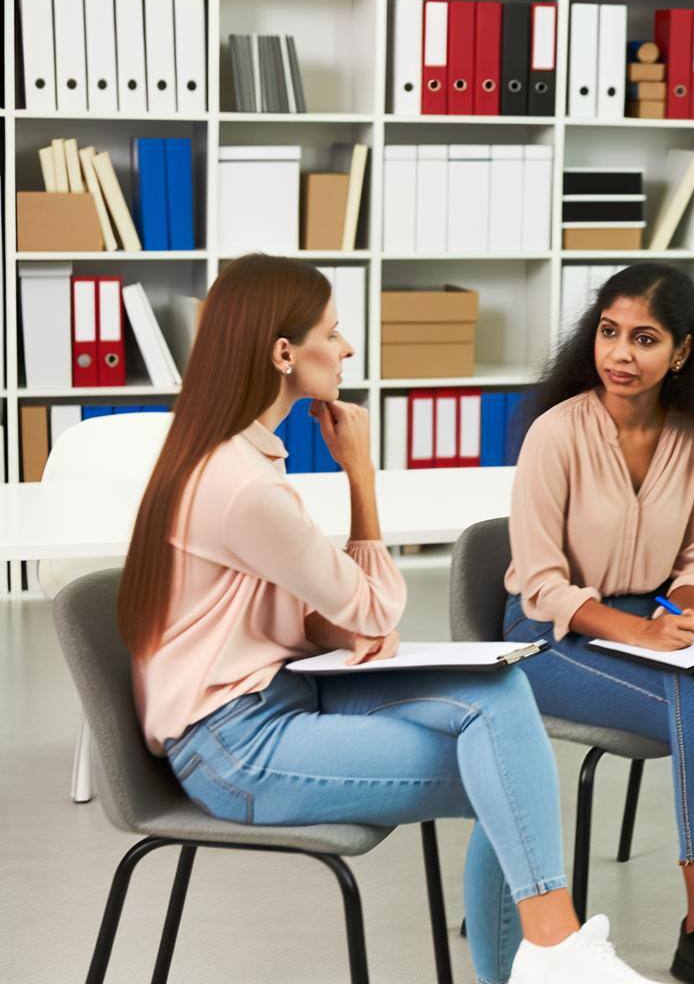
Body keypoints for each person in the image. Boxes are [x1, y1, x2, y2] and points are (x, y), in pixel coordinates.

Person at [118, 255, 652, 984]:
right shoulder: (242, 488)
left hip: (285, 690)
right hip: (233, 745)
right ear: (283, 354)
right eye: (333, 334)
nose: (346, 350)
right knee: (506, 773)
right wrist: (361, 478)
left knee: (500, 700)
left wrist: (348, 615)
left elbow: (339, 615)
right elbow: (374, 607)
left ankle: (550, 954)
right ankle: (553, 955)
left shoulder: (240, 460)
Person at [501, 263, 694, 984]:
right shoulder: (556, 434)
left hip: (649, 617)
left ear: (680, 352)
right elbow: (540, 585)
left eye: (644, 339)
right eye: (609, 333)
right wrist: (642, 634)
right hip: (548, 638)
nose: (620, 354)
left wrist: (682, 612)